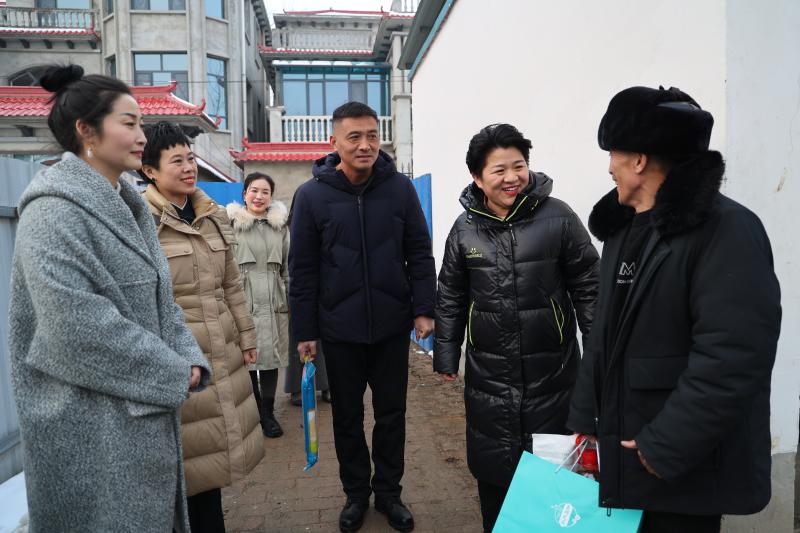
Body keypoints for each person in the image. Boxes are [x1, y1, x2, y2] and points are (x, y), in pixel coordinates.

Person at [568, 86, 782, 533]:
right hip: (622, 461)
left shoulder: (728, 230)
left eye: (613, 154)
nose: (609, 167)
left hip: (678, 469)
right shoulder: (622, 231)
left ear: (639, 160)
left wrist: (665, 445)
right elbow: (603, 336)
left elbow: (733, 355)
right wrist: (585, 422)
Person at [8, 65, 211, 532]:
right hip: (90, 429)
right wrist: (173, 371)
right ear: (87, 131)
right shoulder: (52, 212)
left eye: (141, 123)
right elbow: (75, 325)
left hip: (135, 418)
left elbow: (162, 301)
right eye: (129, 123)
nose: (142, 136)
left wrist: (188, 356)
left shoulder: (126, 203)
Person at [434, 123, 600, 532]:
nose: (512, 177)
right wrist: (446, 353)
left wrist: (600, 349)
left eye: (519, 166)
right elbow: (451, 294)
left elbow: (589, 285)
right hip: (489, 375)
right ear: (477, 177)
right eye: (499, 170)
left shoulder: (558, 217)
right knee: (495, 469)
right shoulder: (465, 228)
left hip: (552, 373)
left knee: (553, 478)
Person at [289, 101, 436, 533]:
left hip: (391, 326)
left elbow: (419, 252)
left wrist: (424, 309)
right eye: (354, 137)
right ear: (334, 142)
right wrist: (305, 331)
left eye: (372, 135)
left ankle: (389, 493)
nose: (365, 145)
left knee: (392, 416)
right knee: (347, 418)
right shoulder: (311, 196)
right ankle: (356, 494)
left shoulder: (399, 189)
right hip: (339, 329)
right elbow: (303, 270)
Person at [139, 121, 264, 533]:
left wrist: (247, 336)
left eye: (190, 158)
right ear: (150, 171)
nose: (189, 167)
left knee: (212, 458)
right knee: (189, 463)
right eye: (176, 161)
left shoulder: (211, 216)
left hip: (222, 351)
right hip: (180, 359)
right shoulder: (141, 221)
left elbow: (231, 284)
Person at [227, 172, 291, 437]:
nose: (259, 196)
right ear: (244, 194)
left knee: (270, 360)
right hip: (244, 302)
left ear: (271, 197)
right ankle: (254, 413)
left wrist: (289, 300)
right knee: (247, 360)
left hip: (274, 303)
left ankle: (268, 413)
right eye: (254, 190)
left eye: (265, 192)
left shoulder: (280, 228)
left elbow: (287, 269)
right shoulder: (230, 226)